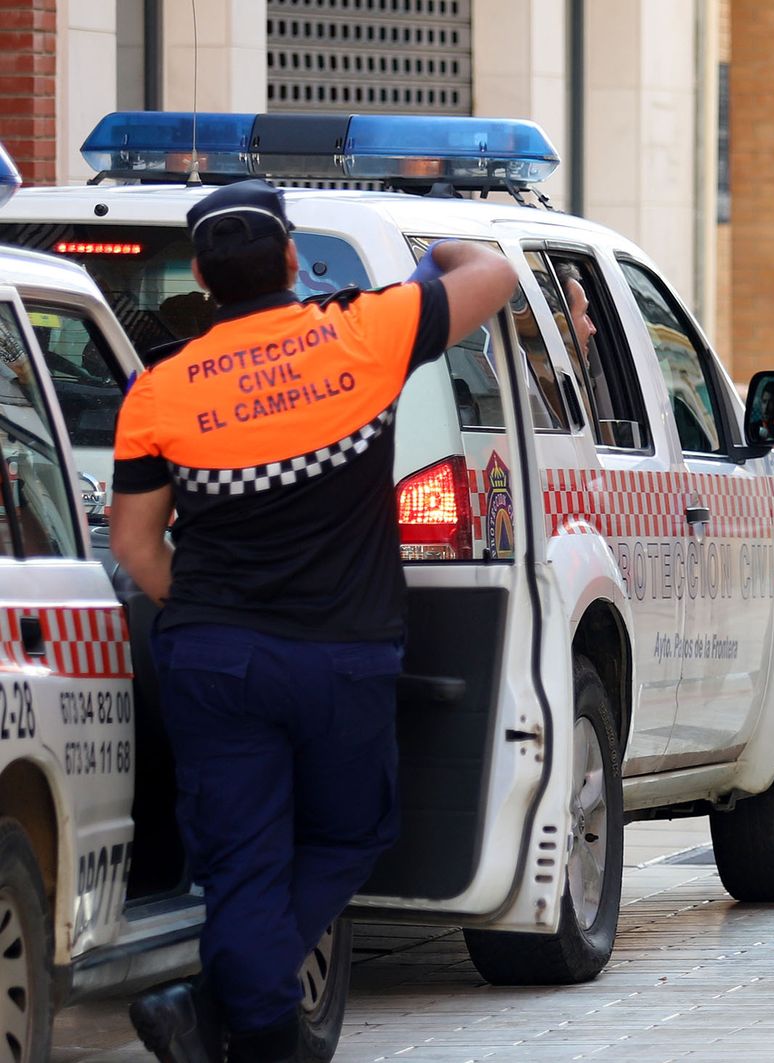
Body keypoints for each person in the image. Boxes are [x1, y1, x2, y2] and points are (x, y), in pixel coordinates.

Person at [110, 180, 516, 1062]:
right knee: (350, 832)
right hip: (342, 655)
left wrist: (210, 612)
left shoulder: (161, 387)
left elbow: (136, 541)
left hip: (216, 657)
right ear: (292, 259)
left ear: (203, 280)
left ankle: (222, 1007)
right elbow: (494, 274)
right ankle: (241, 1022)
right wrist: (432, 251)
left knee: (240, 860)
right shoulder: (363, 331)